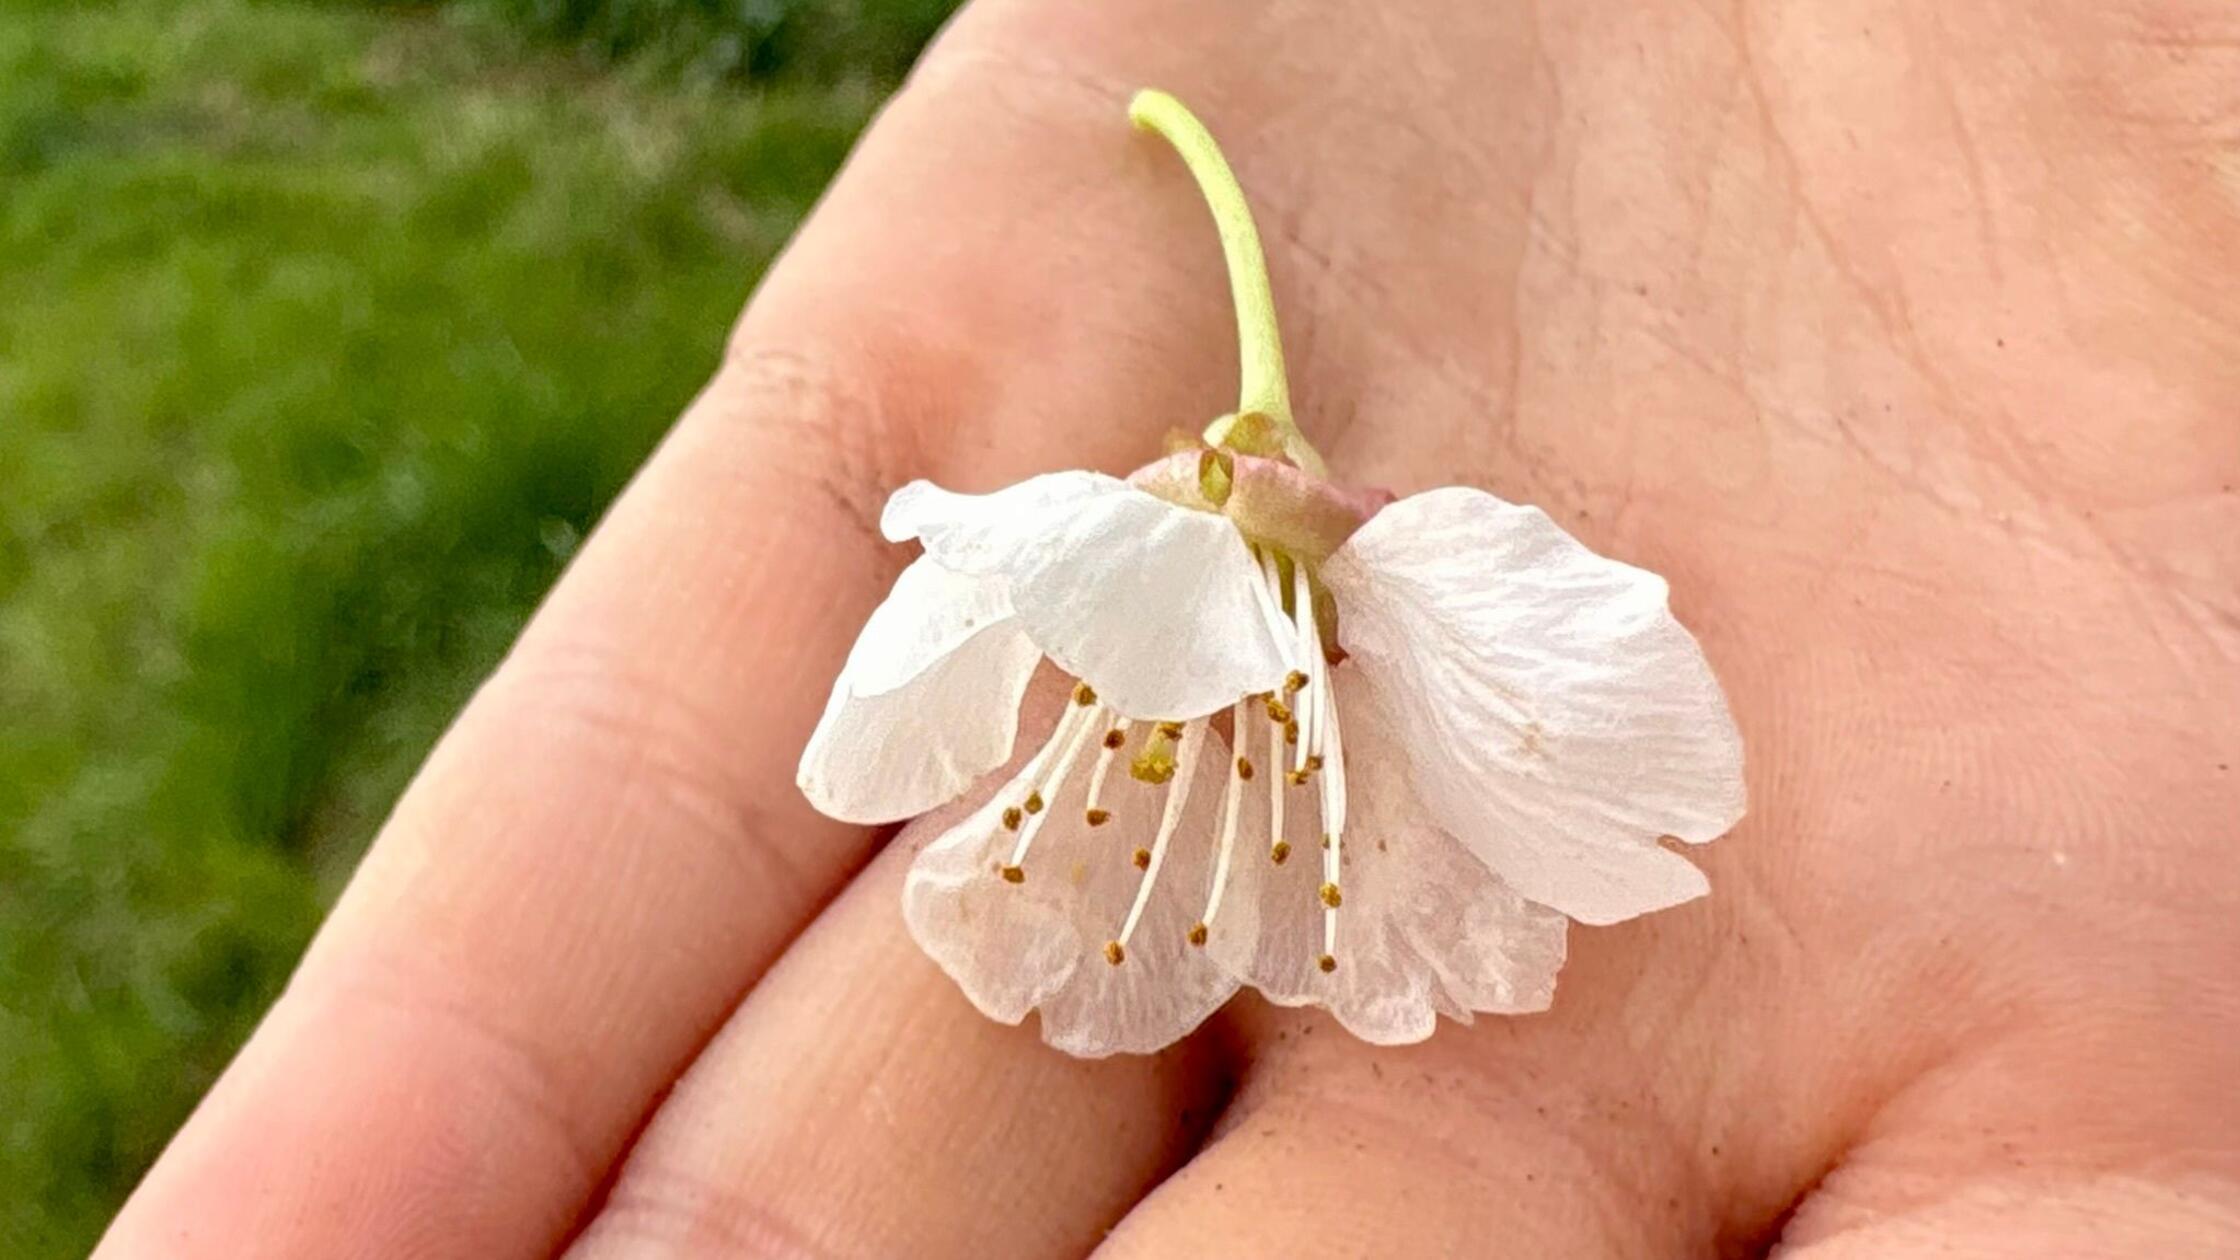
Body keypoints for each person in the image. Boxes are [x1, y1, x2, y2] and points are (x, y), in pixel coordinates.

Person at [97, 1, 2240, 1255]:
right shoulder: (1166, 577)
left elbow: (1606, 786)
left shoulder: (1391, 609)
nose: (1216, 713)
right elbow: (970, 680)